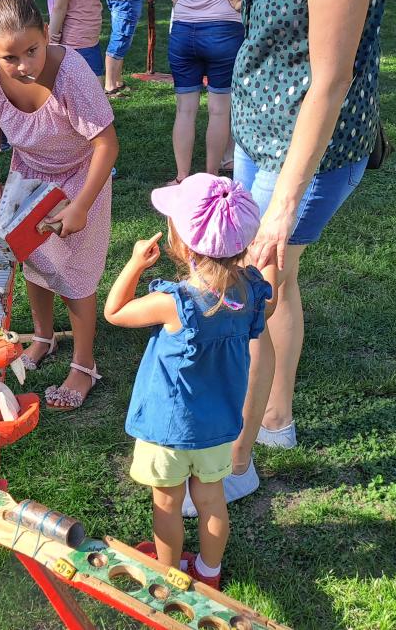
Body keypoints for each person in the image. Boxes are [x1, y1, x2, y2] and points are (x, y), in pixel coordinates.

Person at [187, 0, 390, 509]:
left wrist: (281, 207)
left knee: (252, 293)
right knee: (278, 285)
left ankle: (235, 464)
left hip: (308, 152)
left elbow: (330, 79)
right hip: (261, 138)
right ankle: (275, 419)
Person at [104, 174, 275, 589]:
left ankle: (169, 577)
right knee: (212, 500)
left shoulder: (173, 303)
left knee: (167, 504)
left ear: (180, 245)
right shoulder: (251, 295)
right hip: (218, 428)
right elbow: (270, 305)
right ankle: (209, 573)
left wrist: (135, 263)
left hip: (168, 430)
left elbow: (114, 311)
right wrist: (269, 261)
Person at [0, 0, 119, 411]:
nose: (23, 66)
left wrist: (81, 206)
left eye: (32, 51)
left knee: (74, 272)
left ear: (46, 34)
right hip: (27, 175)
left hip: (80, 178)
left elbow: (106, 144)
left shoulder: (72, 75)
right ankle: (43, 337)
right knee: (33, 258)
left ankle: (84, 364)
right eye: (10, 57)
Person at [165, 0, 250, 183]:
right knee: (219, 109)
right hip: (222, 31)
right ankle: (212, 176)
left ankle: (181, 177)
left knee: (184, 110)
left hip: (183, 30)